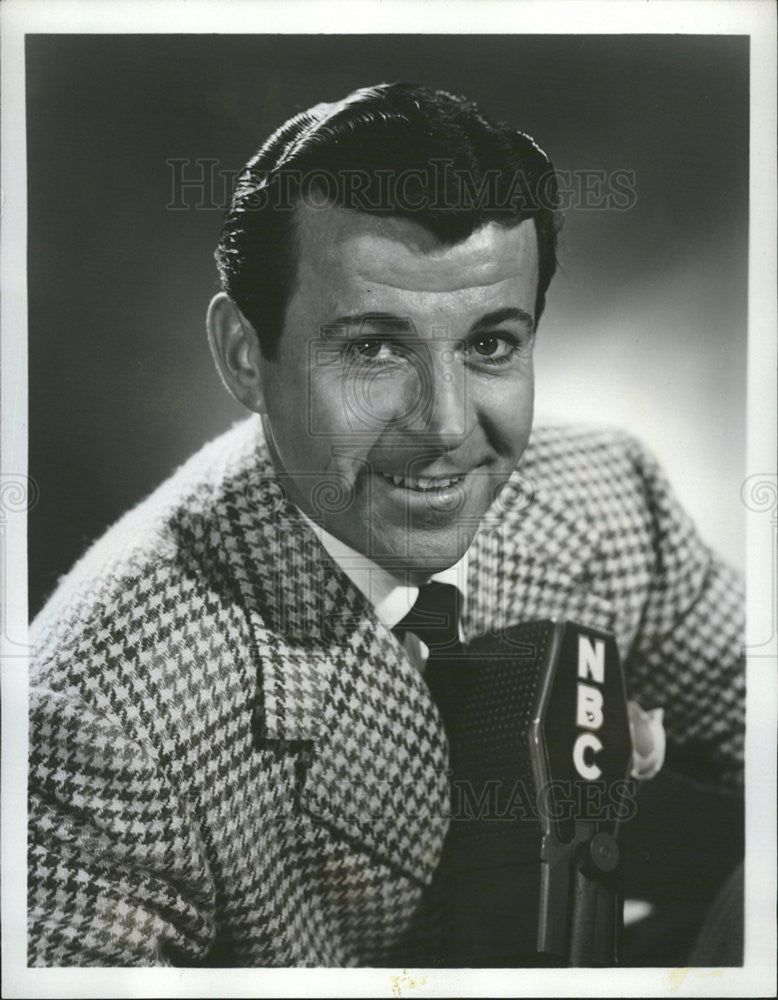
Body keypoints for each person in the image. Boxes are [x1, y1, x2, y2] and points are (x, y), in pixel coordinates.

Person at [28, 82, 744, 967]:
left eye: (491, 344)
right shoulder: (100, 716)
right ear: (246, 356)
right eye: (373, 347)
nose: (445, 426)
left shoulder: (605, 492)